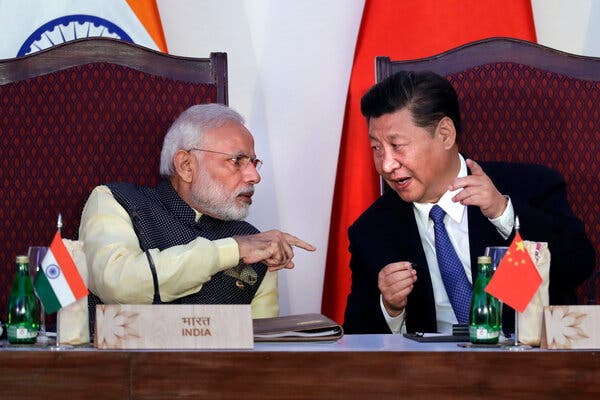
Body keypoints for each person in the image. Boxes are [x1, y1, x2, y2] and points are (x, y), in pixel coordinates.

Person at [343, 71, 595, 334]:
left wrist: (503, 214)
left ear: (444, 135)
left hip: (526, 367)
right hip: (428, 372)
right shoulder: (372, 230)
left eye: (397, 145)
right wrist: (390, 307)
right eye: (376, 148)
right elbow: (355, 339)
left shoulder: (529, 187)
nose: (386, 165)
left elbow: (578, 265)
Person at [80, 103, 315, 333]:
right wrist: (232, 250)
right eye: (237, 161)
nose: (254, 176)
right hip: (122, 370)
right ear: (186, 166)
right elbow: (118, 284)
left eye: (253, 163)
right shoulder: (116, 200)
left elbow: (262, 347)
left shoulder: (256, 242)